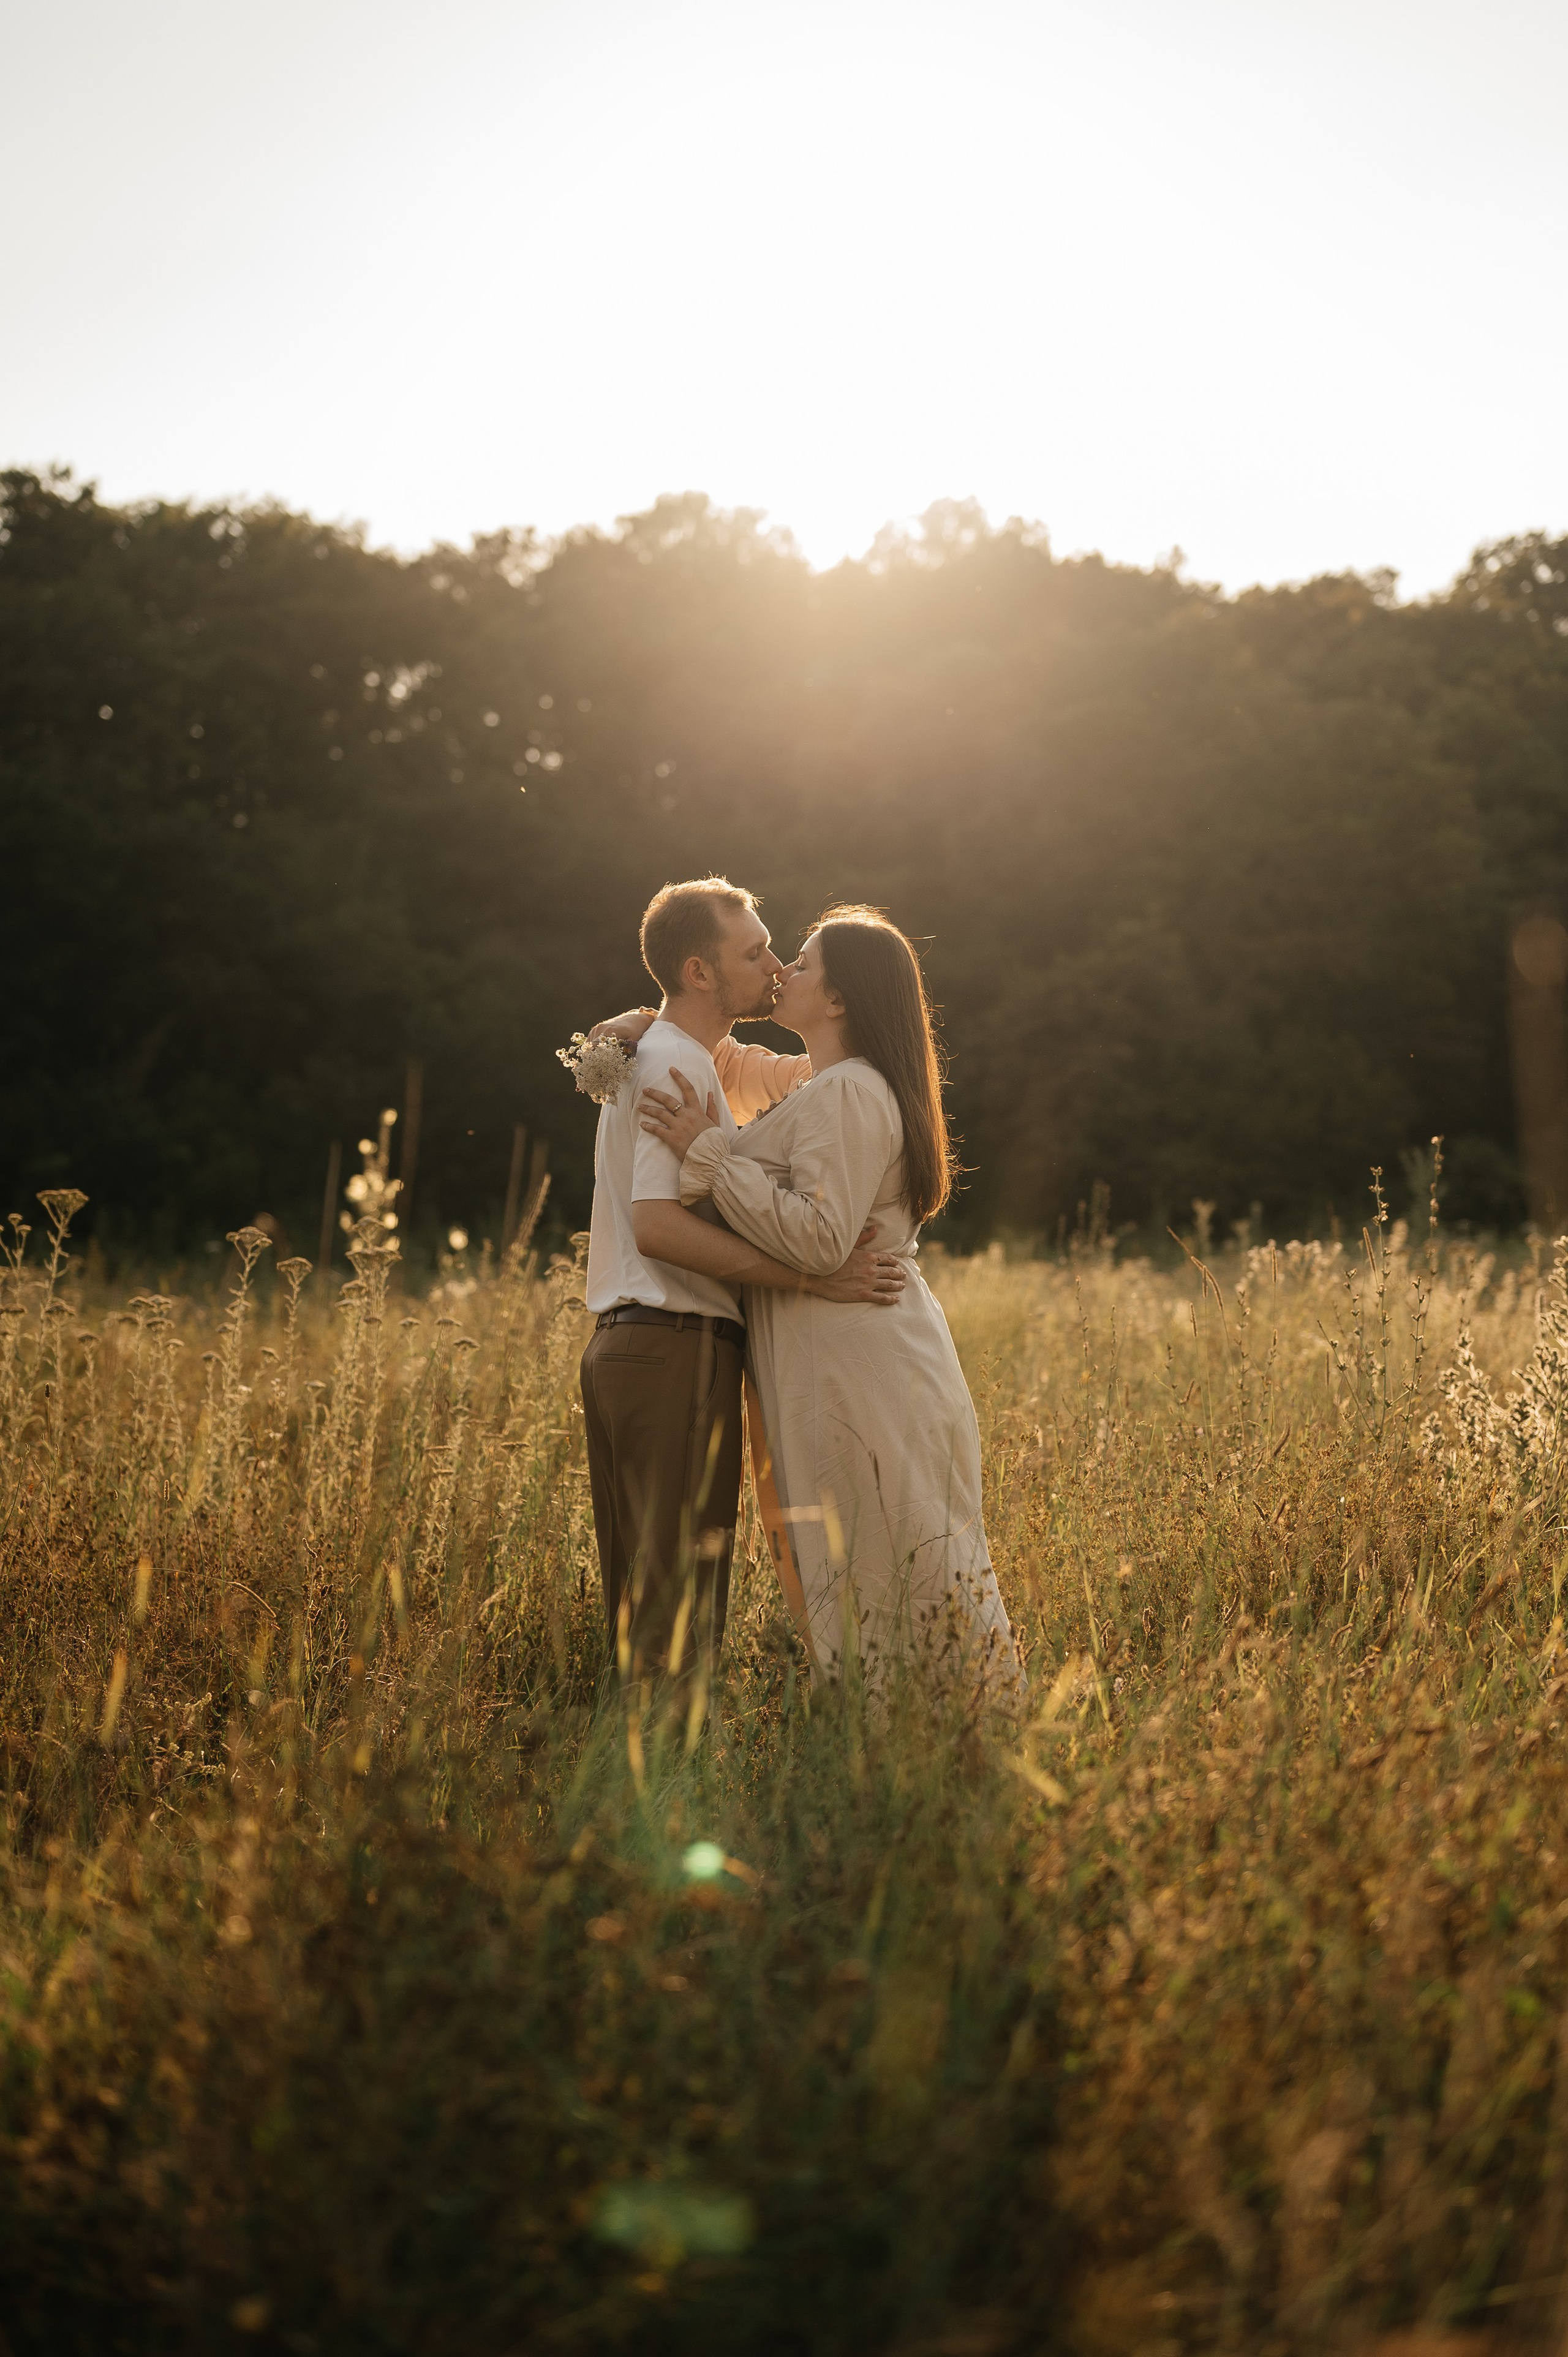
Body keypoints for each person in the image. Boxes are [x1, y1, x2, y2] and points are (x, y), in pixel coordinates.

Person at [622, 905, 1022, 1695]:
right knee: (878, 1556)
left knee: (887, 1557)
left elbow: (819, 1241)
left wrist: (708, 1150)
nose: (783, 973)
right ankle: (911, 1748)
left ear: (838, 1000)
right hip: (847, 1350)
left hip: (853, 1359)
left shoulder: (848, 1093)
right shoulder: (837, 1084)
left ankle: (934, 1746)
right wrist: (628, 1021)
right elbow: (720, 1053)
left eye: (800, 964)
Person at [579, 877, 907, 1687]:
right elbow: (657, 1224)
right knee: (676, 1609)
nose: (772, 965)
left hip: (639, 1349)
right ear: (700, 973)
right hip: (670, 1347)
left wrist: (628, 1024)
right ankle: (668, 1786)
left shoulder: (684, 1055)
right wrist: (806, 1278)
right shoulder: (674, 1069)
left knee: (646, 1602)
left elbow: (815, 1078)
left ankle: (645, 1781)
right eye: (754, 952)